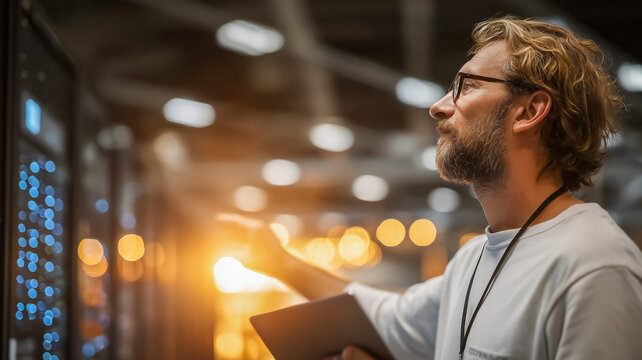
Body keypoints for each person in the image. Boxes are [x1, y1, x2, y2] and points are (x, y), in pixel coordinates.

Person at [219, 16, 642, 360]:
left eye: (467, 86)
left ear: (529, 110)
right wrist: (278, 261)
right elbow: (380, 316)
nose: (438, 107)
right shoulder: (475, 258)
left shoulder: (593, 267)